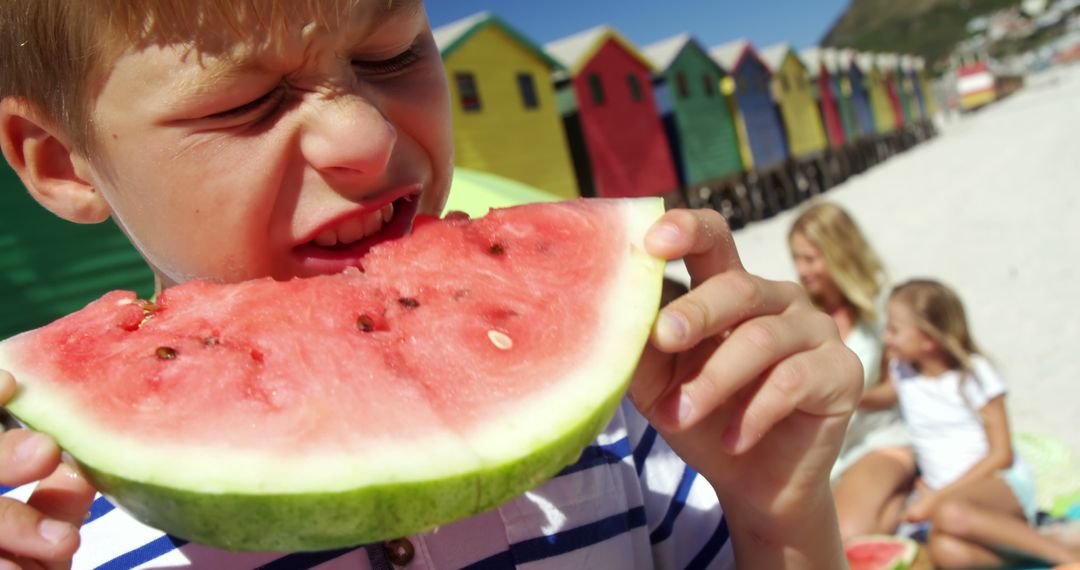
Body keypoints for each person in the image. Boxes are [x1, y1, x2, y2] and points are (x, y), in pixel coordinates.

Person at [0, 2, 863, 568]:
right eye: (241, 104)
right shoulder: (53, 534)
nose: (363, 135)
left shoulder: (627, 422)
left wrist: (780, 513)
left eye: (393, 53)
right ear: (60, 165)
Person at [880, 279, 1079, 568]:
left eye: (894, 330)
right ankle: (1036, 548)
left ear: (929, 339)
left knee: (950, 513)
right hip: (946, 498)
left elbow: (1002, 455)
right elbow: (879, 396)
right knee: (947, 551)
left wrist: (938, 497)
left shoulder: (974, 375)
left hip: (998, 484)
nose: (885, 337)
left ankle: (1067, 559)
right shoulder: (901, 371)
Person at [788, 202, 915, 540]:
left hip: (878, 440)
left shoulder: (880, 310)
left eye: (809, 259)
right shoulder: (805, 315)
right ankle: (901, 517)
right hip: (829, 454)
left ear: (837, 252)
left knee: (847, 535)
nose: (801, 270)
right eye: (796, 259)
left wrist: (849, 396)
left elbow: (897, 388)